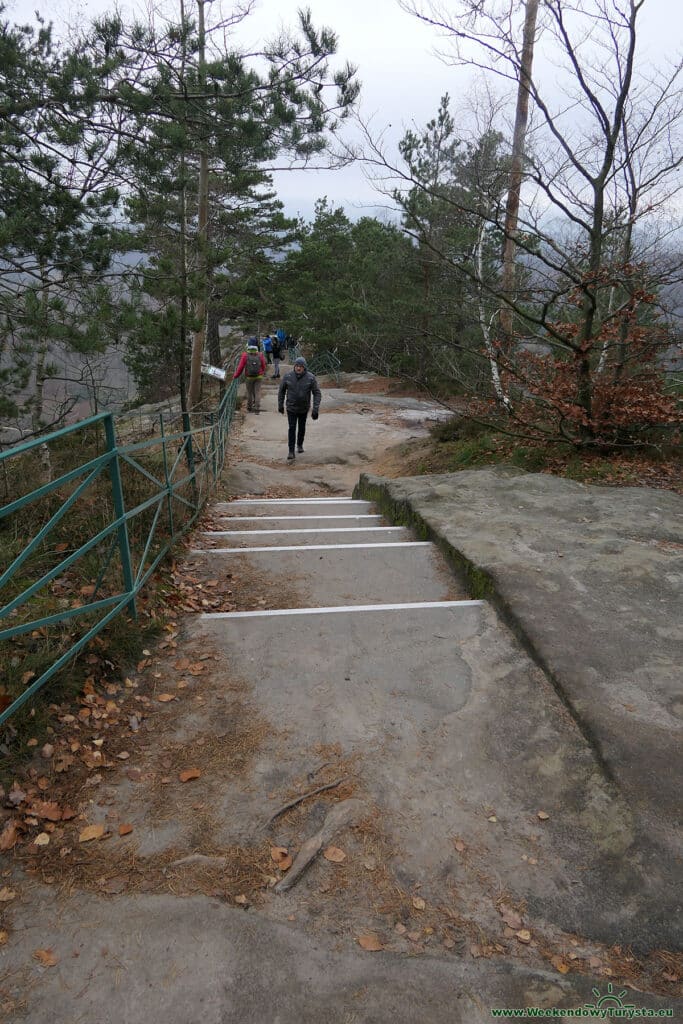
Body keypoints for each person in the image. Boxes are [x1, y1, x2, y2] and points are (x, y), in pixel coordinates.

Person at [278, 356, 321, 460]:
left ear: (304, 367)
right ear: (294, 366)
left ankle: (300, 444)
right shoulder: (288, 376)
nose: (298, 368)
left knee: (301, 428)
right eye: (297, 366)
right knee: (292, 428)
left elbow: (317, 393)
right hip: (291, 407)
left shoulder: (310, 377)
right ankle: (291, 451)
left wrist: (315, 409)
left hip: (303, 408)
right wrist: (280, 405)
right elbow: (281, 391)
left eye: (300, 366)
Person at [232, 342, 266, 414]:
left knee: (249, 392)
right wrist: (262, 372)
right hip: (258, 376)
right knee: (257, 392)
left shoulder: (245, 355)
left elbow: (240, 367)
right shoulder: (260, 355)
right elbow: (263, 365)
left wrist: (235, 376)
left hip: (249, 377)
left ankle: (249, 407)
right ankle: (257, 408)